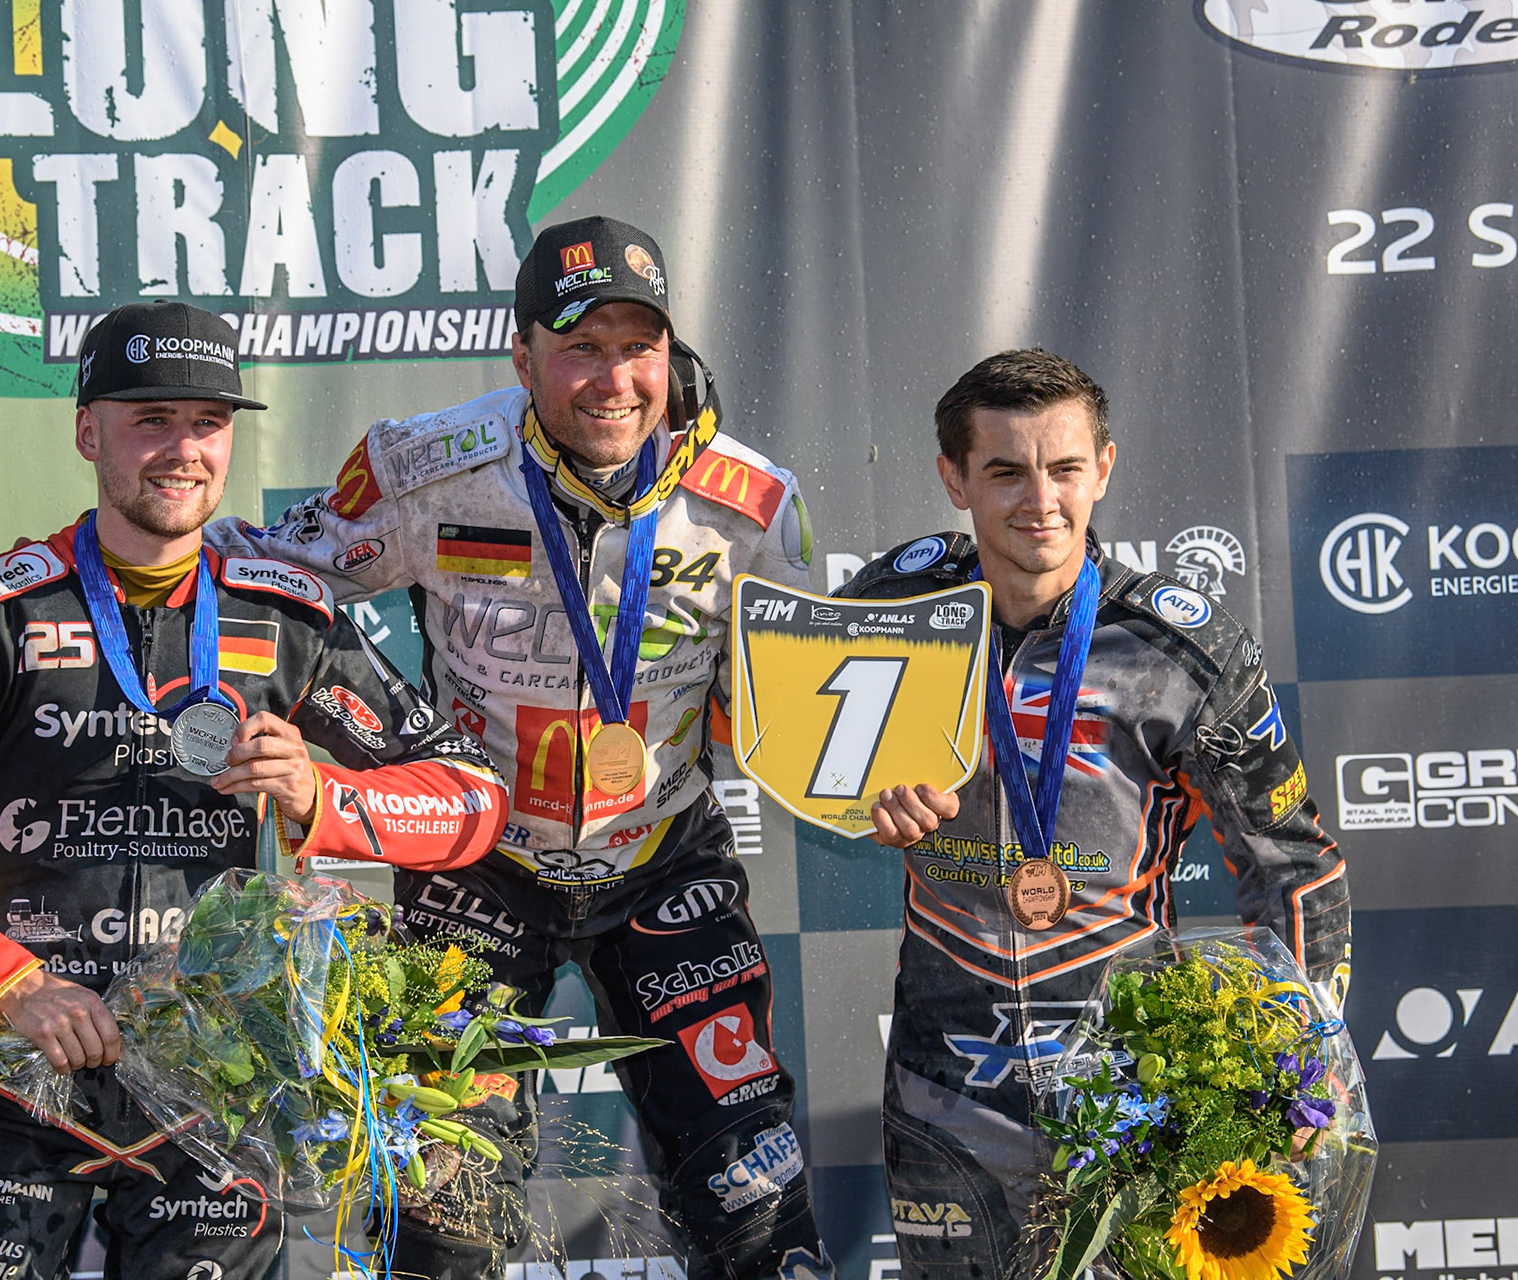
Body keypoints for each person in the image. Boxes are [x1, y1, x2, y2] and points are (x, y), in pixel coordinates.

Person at [0, 301, 509, 1280]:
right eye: (149, 419)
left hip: (220, 1088)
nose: (183, 449)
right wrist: (9, 980)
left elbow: (473, 796)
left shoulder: (289, 614)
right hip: (22, 1078)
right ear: (88, 430)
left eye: (206, 422)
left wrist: (326, 800)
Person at [203, 216, 833, 1280]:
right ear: (523, 355)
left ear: (669, 353)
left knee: (757, 1203)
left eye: (638, 347)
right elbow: (259, 572)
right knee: (444, 1219)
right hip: (475, 864)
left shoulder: (755, 502)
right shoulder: (425, 466)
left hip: (662, 856)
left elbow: (818, 690)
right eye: (581, 347)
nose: (614, 379)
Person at [839, 349, 1352, 1280]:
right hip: (944, 1077)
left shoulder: (1182, 649)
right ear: (954, 478)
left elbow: (1295, 867)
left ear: (1104, 468)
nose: (1041, 499)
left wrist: (1294, 1077)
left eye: (1066, 468)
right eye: (1005, 471)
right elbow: (780, 747)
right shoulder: (886, 612)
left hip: (1130, 1074)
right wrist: (854, 796)